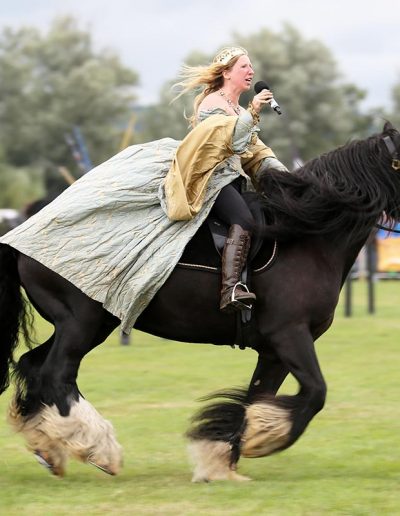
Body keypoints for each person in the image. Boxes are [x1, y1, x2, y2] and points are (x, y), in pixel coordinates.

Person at [0, 46, 288, 332]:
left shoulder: (238, 109)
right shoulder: (212, 104)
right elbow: (230, 141)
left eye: (251, 67)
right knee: (244, 220)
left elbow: (255, 152)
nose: (251, 72)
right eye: (244, 67)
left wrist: (292, 182)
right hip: (209, 180)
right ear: (226, 73)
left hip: (233, 181)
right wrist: (254, 110)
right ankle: (231, 290)